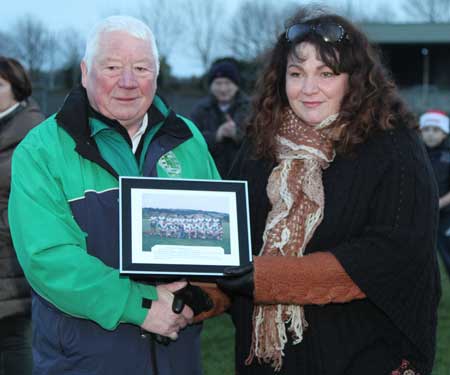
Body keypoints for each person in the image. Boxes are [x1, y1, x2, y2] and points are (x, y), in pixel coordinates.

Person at [218, 7, 440, 375]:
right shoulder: (259, 146)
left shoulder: (395, 149)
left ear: (354, 79)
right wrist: (208, 295)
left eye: (326, 73)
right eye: (296, 73)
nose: (308, 89)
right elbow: (234, 241)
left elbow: (390, 255)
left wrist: (273, 279)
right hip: (269, 362)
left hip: (364, 355)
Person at [8, 16, 226, 375]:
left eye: (141, 68)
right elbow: (48, 259)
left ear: (156, 75)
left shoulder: (185, 138)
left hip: (178, 357)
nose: (127, 82)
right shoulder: (41, 150)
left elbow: (217, 235)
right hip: (86, 361)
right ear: (85, 72)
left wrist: (206, 294)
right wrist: (140, 305)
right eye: (112, 67)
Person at [0, 56, 44, 375]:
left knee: (15, 341)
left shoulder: (33, 134)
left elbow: (33, 204)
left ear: (17, 89)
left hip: (13, 259)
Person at [190, 60, 249, 176]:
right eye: (218, 83)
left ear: (236, 85)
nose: (223, 89)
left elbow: (260, 143)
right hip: (208, 176)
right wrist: (216, 135)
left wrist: (238, 134)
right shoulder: (200, 109)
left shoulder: (251, 108)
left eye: (227, 83)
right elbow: (191, 142)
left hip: (243, 177)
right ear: (211, 86)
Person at [420, 110, 450, 278]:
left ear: (445, 133)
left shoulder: (448, 157)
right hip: (422, 219)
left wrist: (437, 204)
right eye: (427, 129)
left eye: (436, 130)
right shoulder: (417, 156)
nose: (430, 134)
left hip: (445, 218)